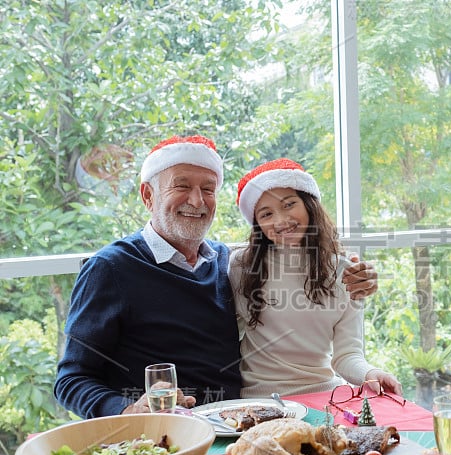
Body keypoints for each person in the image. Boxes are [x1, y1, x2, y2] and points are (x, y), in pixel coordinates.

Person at [54, 136, 378, 419]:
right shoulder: (110, 269)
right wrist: (127, 409)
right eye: (182, 186)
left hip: (239, 422)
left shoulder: (225, 262)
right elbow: (71, 380)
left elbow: (286, 260)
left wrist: (346, 269)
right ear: (148, 196)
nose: (197, 201)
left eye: (208, 189)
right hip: (163, 432)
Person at [230, 158, 402, 397]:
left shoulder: (346, 272)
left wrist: (370, 373)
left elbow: (347, 355)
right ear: (257, 224)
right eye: (266, 213)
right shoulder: (241, 266)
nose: (280, 221)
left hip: (325, 394)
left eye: (289, 204)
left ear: (309, 205)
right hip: (261, 399)